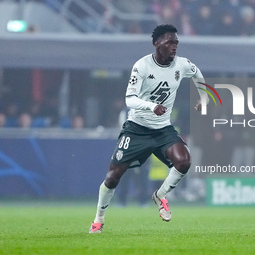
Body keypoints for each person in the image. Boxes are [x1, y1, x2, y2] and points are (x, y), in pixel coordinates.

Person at [89, 24, 207, 233]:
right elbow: (130, 99)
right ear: (157, 43)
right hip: (136, 129)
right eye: (170, 42)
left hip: (162, 130)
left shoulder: (182, 65)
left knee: (184, 161)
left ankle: (160, 195)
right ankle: (99, 218)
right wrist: (152, 106)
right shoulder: (141, 66)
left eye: (176, 43)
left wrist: (203, 97)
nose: (174, 47)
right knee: (112, 177)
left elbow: (197, 73)